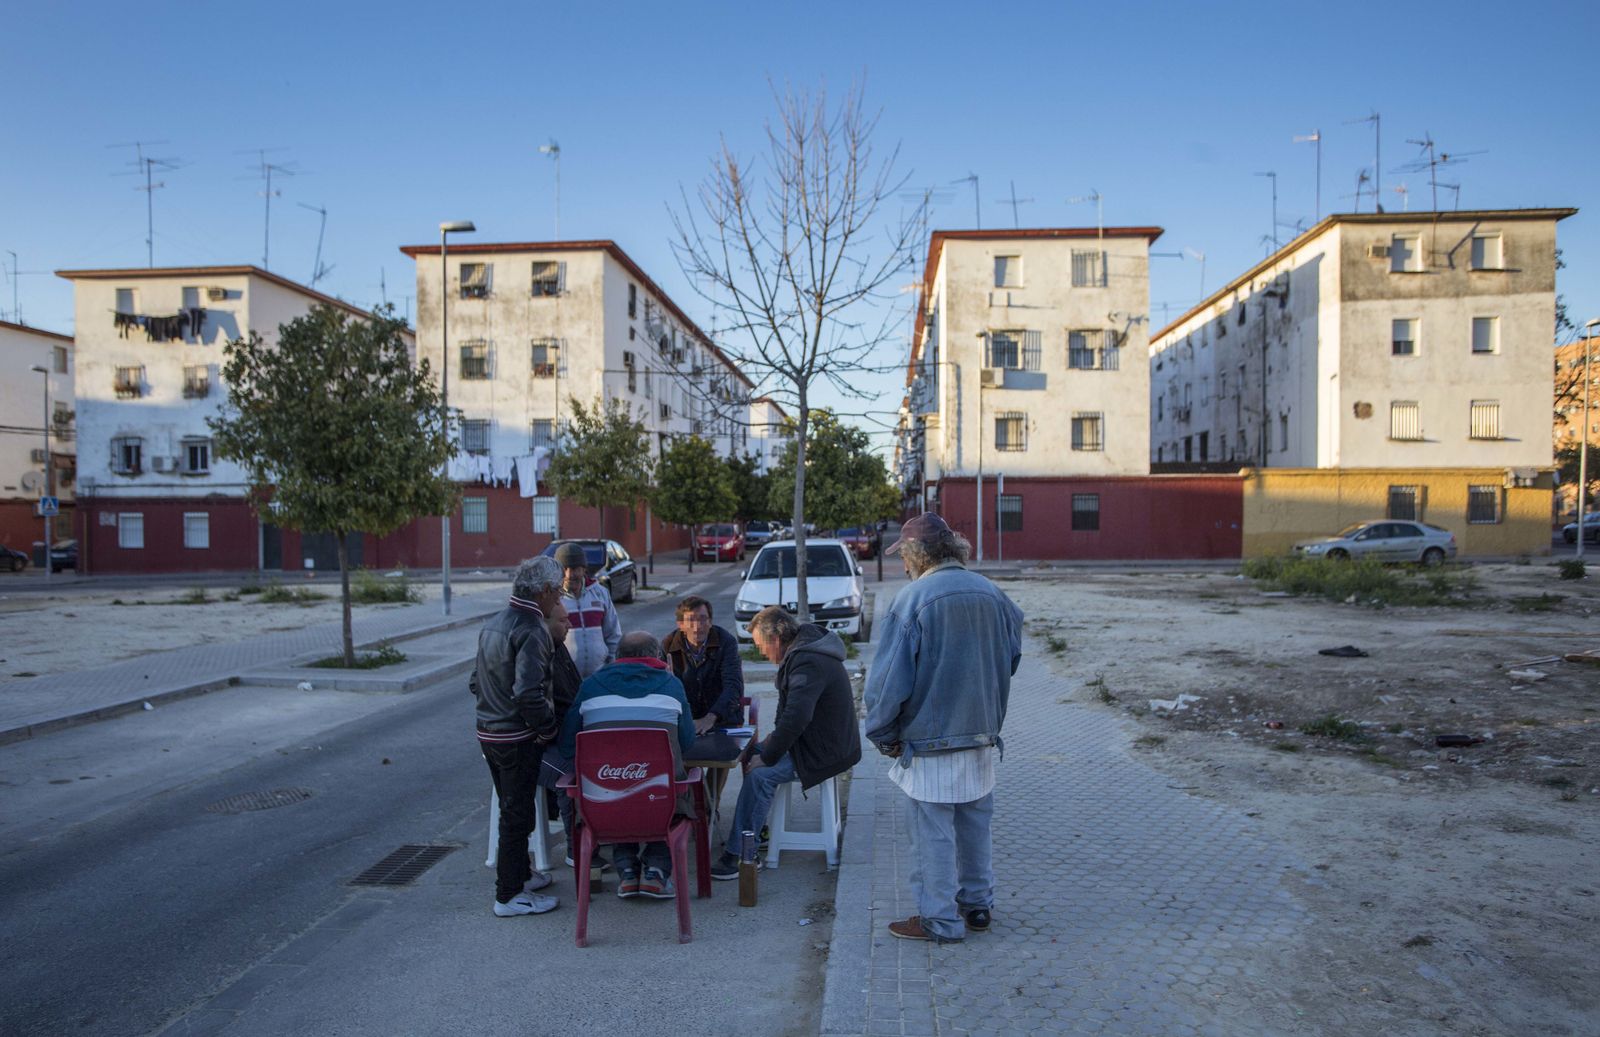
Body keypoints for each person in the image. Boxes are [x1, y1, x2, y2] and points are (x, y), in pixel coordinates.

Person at [863, 512, 1022, 943]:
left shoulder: (912, 600)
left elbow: (888, 680)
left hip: (931, 738)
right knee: (975, 825)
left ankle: (940, 919)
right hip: (982, 731)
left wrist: (881, 732)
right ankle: (977, 907)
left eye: (904, 557)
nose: (902, 566)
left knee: (932, 834)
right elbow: (1012, 656)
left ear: (916, 555)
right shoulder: (993, 593)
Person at [709, 606, 861, 880]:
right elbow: (789, 716)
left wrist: (767, 756)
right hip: (817, 742)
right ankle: (755, 828)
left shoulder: (807, 661)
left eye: (760, 646)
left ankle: (741, 853)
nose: (762, 653)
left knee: (760, 775)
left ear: (775, 639)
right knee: (751, 754)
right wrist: (765, 746)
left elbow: (797, 717)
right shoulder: (801, 654)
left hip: (823, 750)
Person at [558, 631, 696, 900]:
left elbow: (567, 747)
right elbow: (687, 741)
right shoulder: (672, 685)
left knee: (617, 789)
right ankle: (656, 871)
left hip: (600, 808)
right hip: (660, 804)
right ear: (657, 657)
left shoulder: (590, 686)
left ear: (617, 658)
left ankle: (628, 872)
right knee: (659, 787)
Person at [471, 555, 565, 918]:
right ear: (542, 592)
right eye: (556, 593)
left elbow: (475, 682)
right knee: (517, 815)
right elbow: (529, 692)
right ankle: (509, 895)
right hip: (516, 737)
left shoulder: (494, 623)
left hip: (489, 732)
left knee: (514, 811)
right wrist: (548, 728)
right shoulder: (532, 628)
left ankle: (522, 876)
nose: (558, 600)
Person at [662, 595, 745, 763]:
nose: (697, 626)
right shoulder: (668, 645)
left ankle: (712, 790)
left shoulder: (726, 641)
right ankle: (693, 788)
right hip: (686, 719)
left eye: (703, 619)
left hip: (721, 716)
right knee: (675, 757)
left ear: (711, 621)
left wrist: (711, 717)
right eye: (691, 620)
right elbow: (662, 689)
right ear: (681, 625)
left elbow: (734, 685)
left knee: (723, 759)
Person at [536, 601, 586, 863]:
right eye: (563, 621)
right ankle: (575, 849)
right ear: (544, 624)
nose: (570, 625)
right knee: (572, 775)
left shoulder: (559, 648)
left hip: (563, 737)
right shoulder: (533, 654)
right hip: (534, 748)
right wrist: (549, 734)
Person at [555, 541, 621, 679]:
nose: (569, 575)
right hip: (566, 679)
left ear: (584, 569)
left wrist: (613, 667)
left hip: (600, 676)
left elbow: (613, 634)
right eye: (564, 568)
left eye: (574, 569)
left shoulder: (601, 593)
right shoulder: (553, 597)